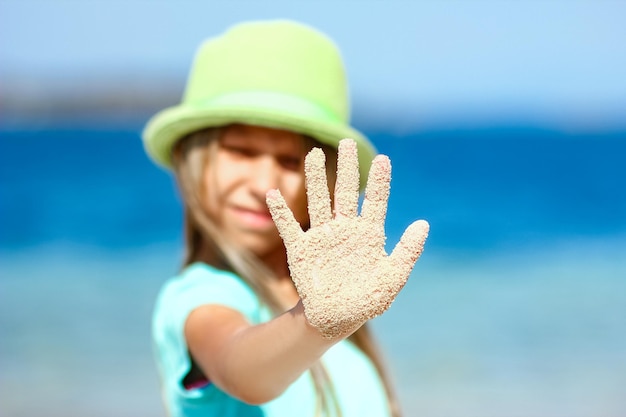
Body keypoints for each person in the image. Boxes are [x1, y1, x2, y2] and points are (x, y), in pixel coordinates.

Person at [142, 19, 429, 417]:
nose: (264, 183)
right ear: (191, 160)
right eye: (240, 150)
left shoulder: (326, 306)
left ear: (325, 177)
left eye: (291, 161)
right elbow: (240, 367)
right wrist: (314, 322)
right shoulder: (202, 296)